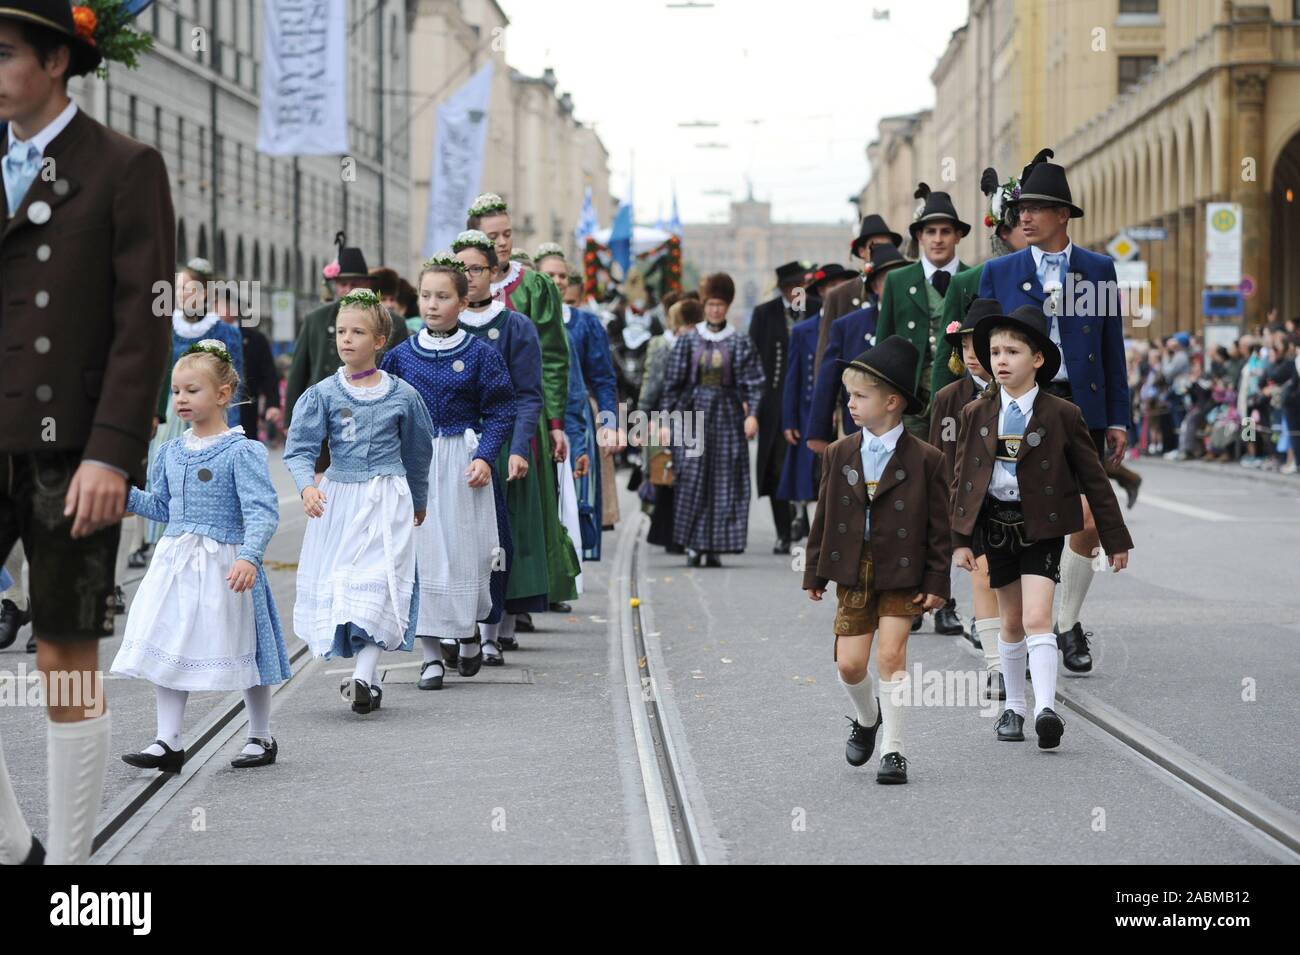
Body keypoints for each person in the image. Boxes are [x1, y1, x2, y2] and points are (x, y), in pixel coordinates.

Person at [0, 1, 174, 865]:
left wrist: (113, 448)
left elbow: (143, 321)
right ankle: (10, 843)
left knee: (66, 656)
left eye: (0, 55)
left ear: (56, 60)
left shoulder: (124, 166)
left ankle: (69, 873)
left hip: (72, 452)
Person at [950, 305, 1133, 749]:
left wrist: (1114, 538)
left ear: (1037, 360)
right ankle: (1013, 707)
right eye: (994, 351)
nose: (1001, 360)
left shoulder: (1063, 413)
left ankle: (1045, 708)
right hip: (996, 527)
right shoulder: (977, 412)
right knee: (1011, 621)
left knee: (1036, 617)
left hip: (1042, 528)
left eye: (1012, 351)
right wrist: (959, 539)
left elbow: (1094, 480)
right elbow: (963, 480)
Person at [977, 154, 1131, 673]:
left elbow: (1113, 349)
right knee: (1025, 516)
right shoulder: (999, 273)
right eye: (1021, 207)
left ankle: (1065, 621)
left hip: (1080, 405)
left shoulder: (1098, 269)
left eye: (1038, 208)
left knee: (1086, 519)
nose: (1025, 216)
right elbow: (982, 351)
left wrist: (1118, 418)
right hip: (1020, 406)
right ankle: (1025, 630)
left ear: (1063, 214)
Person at [112, 341, 290, 768]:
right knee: (167, 641)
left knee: (245, 644)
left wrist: (249, 556)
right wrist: (127, 497)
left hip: (225, 562)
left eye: (192, 390)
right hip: (175, 562)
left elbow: (261, 512)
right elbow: (163, 507)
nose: (181, 400)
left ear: (223, 395)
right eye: (176, 392)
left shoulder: (241, 451)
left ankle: (261, 735)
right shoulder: (171, 451)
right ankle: (168, 740)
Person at [802, 336, 951, 785]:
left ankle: (894, 750)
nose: (851, 404)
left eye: (860, 396)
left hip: (902, 569)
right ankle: (869, 719)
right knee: (849, 663)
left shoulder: (928, 459)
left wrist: (938, 582)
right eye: (849, 395)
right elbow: (823, 515)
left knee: (891, 654)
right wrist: (814, 571)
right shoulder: (839, 451)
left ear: (892, 402)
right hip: (853, 568)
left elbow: (939, 530)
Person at [284, 289, 433, 715]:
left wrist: (418, 501)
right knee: (345, 584)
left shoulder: (404, 396)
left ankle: (364, 677)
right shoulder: (324, 394)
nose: (346, 339)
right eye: (341, 331)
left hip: (387, 498)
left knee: (380, 582)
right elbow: (299, 448)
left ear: (380, 340)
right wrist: (307, 486)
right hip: (339, 500)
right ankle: (362, 674)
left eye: (358, 332)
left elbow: (419, 454)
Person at [380, 256, 515, 690]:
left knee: (465, 554)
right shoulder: (399, 358)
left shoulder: (481, 355)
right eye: (426, 296)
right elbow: (386, 412)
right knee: (421, 554)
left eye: (443, 297)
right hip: (417, 466)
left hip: (462, 463)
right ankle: (431, 654)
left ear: (462, 301)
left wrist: (485, 456)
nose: (433, 305)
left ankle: (470, 631)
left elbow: (500, 410)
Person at [451, 229, 569, 660]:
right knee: (454, 536)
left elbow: (528, 393)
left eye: (477, 269)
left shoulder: (515, 325)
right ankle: (455, 628)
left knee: (497, 536)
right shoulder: (440, 326)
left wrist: (520, 447)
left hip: (500, 442)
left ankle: (495, 628)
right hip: (452, 445)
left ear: (494, 272)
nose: (470, 276)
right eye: (461, 269)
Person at [468, 194, 576, 624]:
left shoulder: (533, 287)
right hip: (469, 417)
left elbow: (552, 359)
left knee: (519, 513)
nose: (503, 243)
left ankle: (515, 607)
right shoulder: (458, 287)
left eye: (508, 234)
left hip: (520, 418)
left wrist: (553, 424)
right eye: (493, 236)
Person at [660, 273, 766, 566]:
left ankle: (716, 544)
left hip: (728, 415)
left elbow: (755, 382)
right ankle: (694, 543)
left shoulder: (740, 342)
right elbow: (672, 383)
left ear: (727, 306)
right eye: (711, 304)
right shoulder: (689, 341)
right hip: (692, 416)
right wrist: (666, 422)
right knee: (692, 477)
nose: (716, 310)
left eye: (721, 305)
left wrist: (752, 414)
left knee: (725, 478)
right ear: (703, 305)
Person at [284, 233, 409, 474]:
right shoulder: (316, 319)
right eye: (343, 284)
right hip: (322, 417)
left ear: (368, 285)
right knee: (321, 493)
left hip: (376, 418)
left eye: (355, 283)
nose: (348, 289)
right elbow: (299, 371)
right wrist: (291, 419)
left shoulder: (393, 322)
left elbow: (403, 373)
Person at [928, 299, 1001, 693]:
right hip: (967, 504)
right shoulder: (948, 399)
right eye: (965, 347)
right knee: (983, 577)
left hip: (1009, 503)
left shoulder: (1016, 396)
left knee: (1010, 588)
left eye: (982, 347)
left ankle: (1011, 648)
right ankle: (997, 664)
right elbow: (940, 458)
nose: (972, 356)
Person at [535, 243, 621, 561]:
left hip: (576, 417)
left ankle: (566, 567)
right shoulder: (522, 318)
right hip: (533, 417)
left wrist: (610, 424)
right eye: (549, 275)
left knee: (572, 495)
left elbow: (603, 379)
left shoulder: (585, 324)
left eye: (562, 275)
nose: (556, 281)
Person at [874, 183, 973, 439]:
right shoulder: (898, 281)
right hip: (911, 401)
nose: (938, 239)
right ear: (920, 237)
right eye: (930, 232)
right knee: (912, 473)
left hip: (963, 397)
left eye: (945, 231)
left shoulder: (974, 278)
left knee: (957, 470)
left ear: (958, 236)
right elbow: (884, 344)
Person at [778, 264, 857, 536]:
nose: (837, 291)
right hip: (811, 411)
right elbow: (793, 377)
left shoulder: (855, 324)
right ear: (822, 291)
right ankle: (811, 526)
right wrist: (789, 418)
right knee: (812, 475)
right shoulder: (803, 330)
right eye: (831, 286)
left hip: (849, 412)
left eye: (842, 286)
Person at [807, 243, 911, 449]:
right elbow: (828, 380)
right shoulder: (848, 325)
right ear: (874, 286)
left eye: (899, 278)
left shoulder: (917, 321)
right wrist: (818, 432)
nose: (894, 286)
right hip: (858, 428)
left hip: (909, 426)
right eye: (887, 280)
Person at [750, 262, 821, 553]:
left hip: (812, 401)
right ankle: (784, 530)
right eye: (792, 287)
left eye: (800, 286)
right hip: (774, 404)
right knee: (777, 467)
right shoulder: (764, 313)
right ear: (781, 289)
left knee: (813, 464)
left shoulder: (817, 307)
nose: (796, 292)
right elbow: (752, 359)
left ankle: (806, 521)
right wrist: (753, 405)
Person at [640, 294, 700, 553]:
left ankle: (674, 533)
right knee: (671, 474)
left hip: (674, 416)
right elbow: (654, 385)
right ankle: (675, 534)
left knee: (672, 475)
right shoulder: (665, 345)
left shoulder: (666, 344)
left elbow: (652, 384)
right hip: (673, 417)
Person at [813, 214, 904, 375]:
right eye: (874, 245)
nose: (882, 249)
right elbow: (825, 354)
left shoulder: (905, 287)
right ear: (862, 251)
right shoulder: (839, 295)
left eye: (887, 245)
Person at [215, 284, 282, 443]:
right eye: (214, 304)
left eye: (222, 304)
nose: (216, 310)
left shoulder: (254, 339)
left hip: (245, 409)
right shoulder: (204, 335)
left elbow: (269, 374)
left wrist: (272, 404)